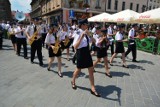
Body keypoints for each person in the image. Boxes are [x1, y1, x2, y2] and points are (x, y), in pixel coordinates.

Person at [71, 19, 100, 97]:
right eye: (86, 24)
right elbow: (75, 46)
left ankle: (93, 88)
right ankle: (73, 80)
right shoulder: (77, 32)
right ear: (83, 25)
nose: (88, 26)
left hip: (87, 52)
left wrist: (90, 35)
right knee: (78, 69)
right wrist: (82, 36)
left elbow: (94, 41)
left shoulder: (88, 32)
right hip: (80, 52)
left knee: (91, 70)